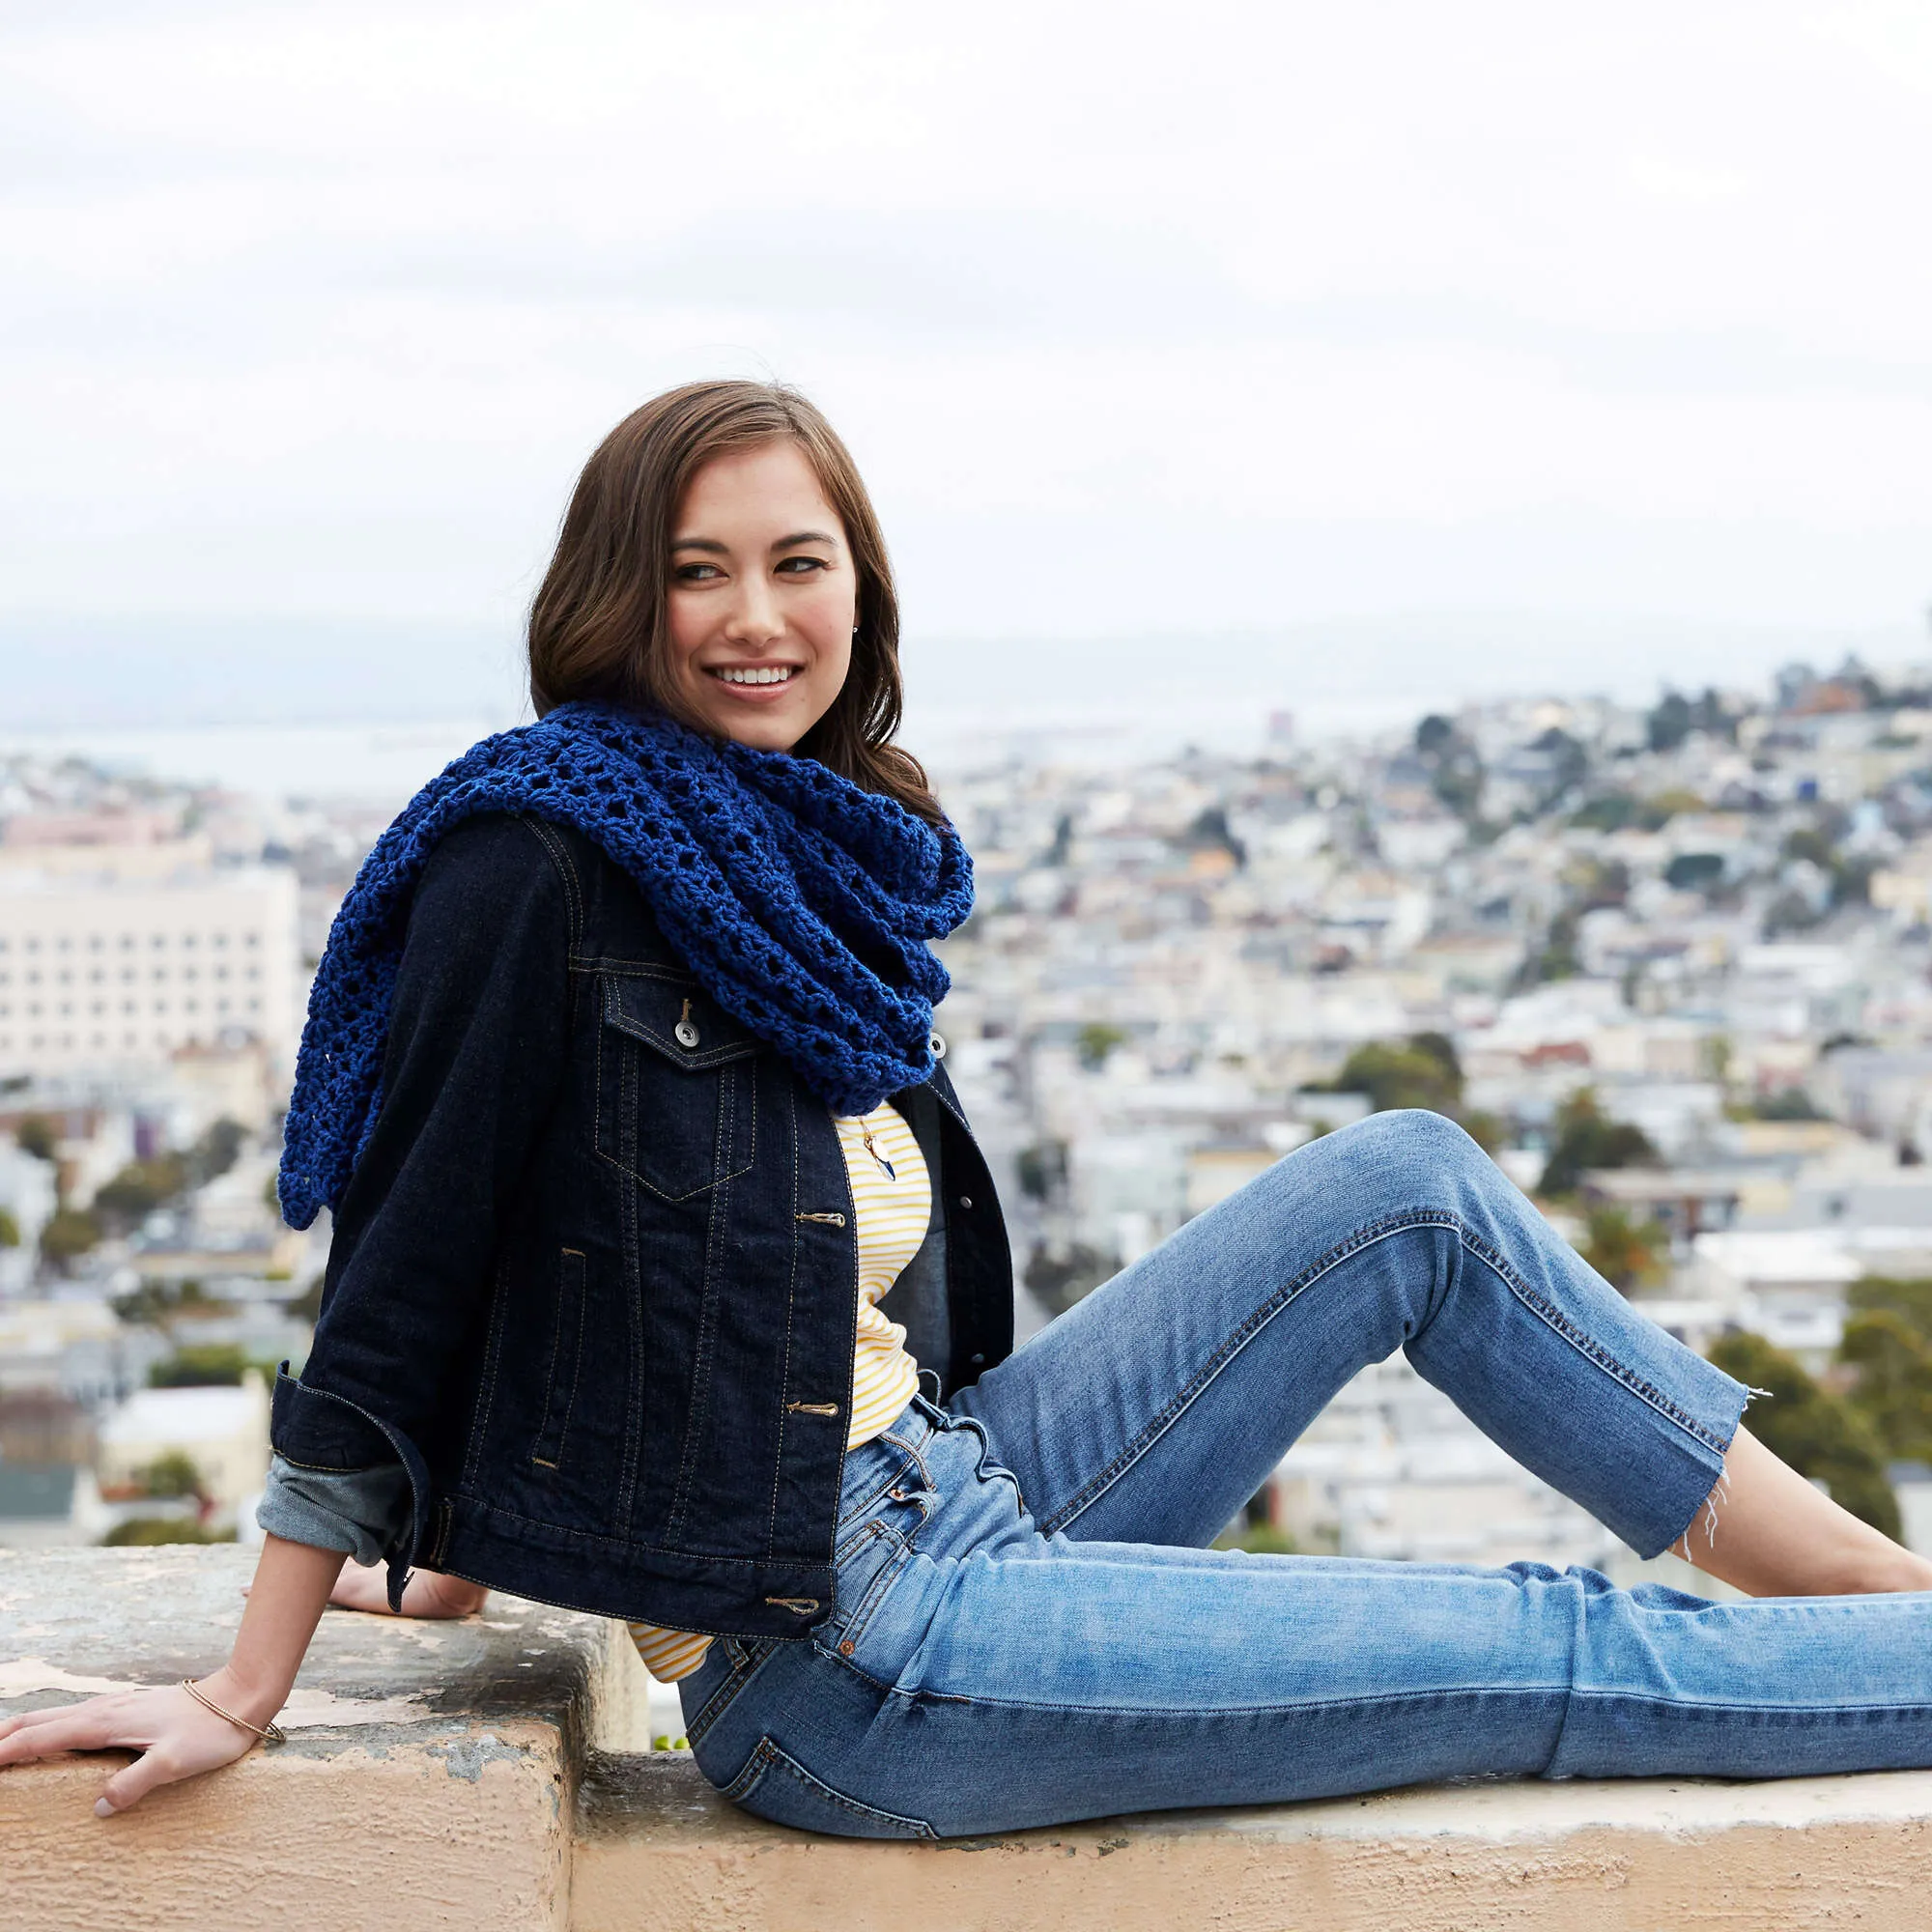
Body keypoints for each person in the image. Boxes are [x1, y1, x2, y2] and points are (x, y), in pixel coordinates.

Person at [8, 380, 1932, 1839]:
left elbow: (632, 1277)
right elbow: (409, 1270)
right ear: (620, 599)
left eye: (795, 562)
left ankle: (1870, 1585)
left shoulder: (812, 864)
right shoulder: (540, 860)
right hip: (844, 1653)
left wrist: (464, 1533)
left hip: (952, 1483)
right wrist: (250, 1688)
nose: (750, 615)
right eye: (694, 569)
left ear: (860, 591)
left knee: (1405, 1189)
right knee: (1547, 1638)